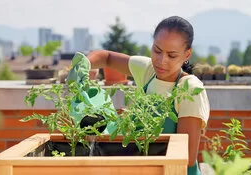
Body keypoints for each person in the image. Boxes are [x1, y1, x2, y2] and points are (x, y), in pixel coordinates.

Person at [86, 16, 210, 175]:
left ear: (186, 55)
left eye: (171, 55)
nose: (161, 61)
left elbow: (186, 157)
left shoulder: (189, 89)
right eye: (157, 50)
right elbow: (107, 57)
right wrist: (84, 65)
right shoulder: (148, 71)